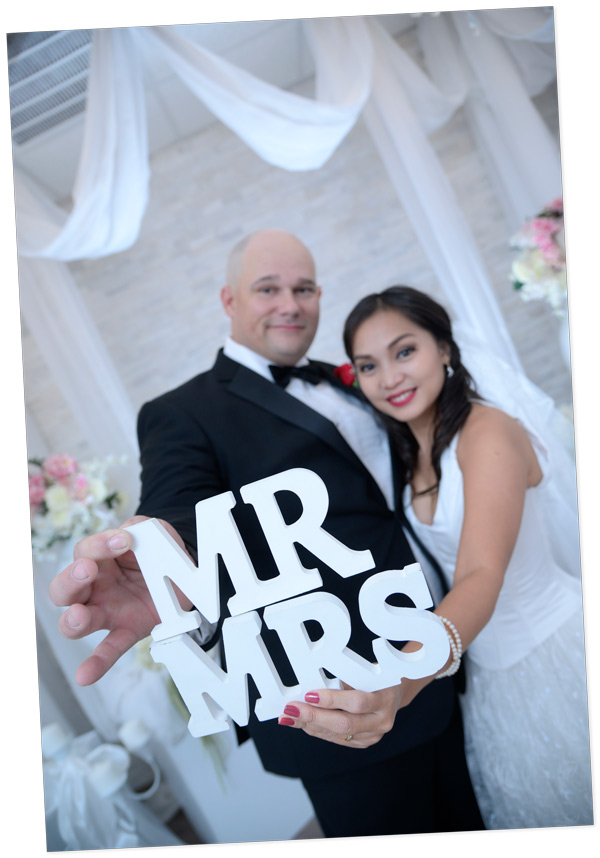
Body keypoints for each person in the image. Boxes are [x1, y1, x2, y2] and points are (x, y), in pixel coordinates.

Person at [50, 229, 484, 839]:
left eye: (304, 288)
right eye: (268, 289)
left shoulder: (350, 379)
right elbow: (177, 508)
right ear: (230, 301)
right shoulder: (182, 412)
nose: (290, 303)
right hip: (338, 701)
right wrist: (159, 560)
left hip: (428, 659)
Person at [339, 285, 593, 830]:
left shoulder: (488, 432)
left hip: (558, 649)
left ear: (445, 350)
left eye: (405, 351)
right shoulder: (412, 456)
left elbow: (481, 573)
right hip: (493, 677)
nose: (390, 378)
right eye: (369, 366)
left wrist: (401, 679)